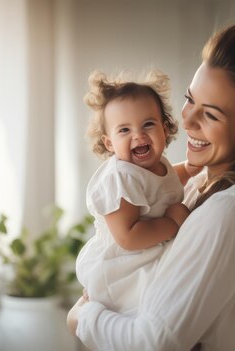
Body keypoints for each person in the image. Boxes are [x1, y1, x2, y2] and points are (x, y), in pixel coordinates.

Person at [67, 23, 235, 351]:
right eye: (190, 99)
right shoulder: (201, 184)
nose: (186, 121)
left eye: (211, 115)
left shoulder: (231, 210)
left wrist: (83, 317)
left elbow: (154, 343)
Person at [76, 70, 199, 315]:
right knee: (148, 309)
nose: (138, 135)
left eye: (148, 124)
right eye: (124, 130)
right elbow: (128, 237)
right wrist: (173, 223)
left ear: (164, 129)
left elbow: (160, 184)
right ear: (109, 143)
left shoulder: (155, 165)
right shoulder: (120, 178)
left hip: (144, 255)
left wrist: (188, 169)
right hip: (121, 269)